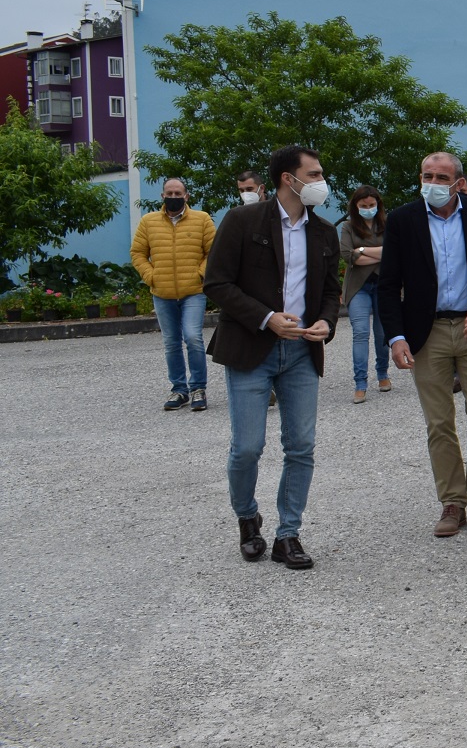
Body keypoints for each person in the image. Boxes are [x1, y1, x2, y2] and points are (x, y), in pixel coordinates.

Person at [203, 145, 339, 570]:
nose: (320, 181)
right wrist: (266, 319)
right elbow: (217, 283)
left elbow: (332, 292)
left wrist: (326, 323)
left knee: (300, 446)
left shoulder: (324, 232)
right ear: (287, 178)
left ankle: (288, 535)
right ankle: (248, 518)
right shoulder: (243, 221)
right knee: (247, 448)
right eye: (313, 174)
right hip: (251, 348)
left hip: (301, 351)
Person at [379, 152, 467, 538]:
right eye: (427, 175)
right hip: (427, 332)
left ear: (458, 182)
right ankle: (452, 501)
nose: (433, 183)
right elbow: (388, 284)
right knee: (439, 422)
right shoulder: (404, 220)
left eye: (441, 177)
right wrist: (396, 336)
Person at [132, 176, 217, 411]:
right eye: (169, 193)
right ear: (162, 196)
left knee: (192, 337)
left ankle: (198, 388)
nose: (173, 197)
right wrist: (152, 276)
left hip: (193, 292)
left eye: (177, 193)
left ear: (186, 196)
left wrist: (200, 274)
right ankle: (179, 389)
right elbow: (138, 253)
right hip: (162, 292)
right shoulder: (148, 222)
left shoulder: (202, 219)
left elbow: (214, 251)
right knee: (171, 342)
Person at [338, 186, 392, 402]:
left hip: (384, 285)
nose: (368, 209)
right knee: (360, 333)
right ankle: (360, 383)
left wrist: (360, 251)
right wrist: (380, 254)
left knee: (382, 334)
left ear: (378, 204)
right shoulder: (348, 226)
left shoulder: (387, 224)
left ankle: (383, 374)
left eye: (371, 205)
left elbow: (394, 251)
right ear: (355, 206)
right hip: (357, 287)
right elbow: (346, 255)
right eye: (363, 206)